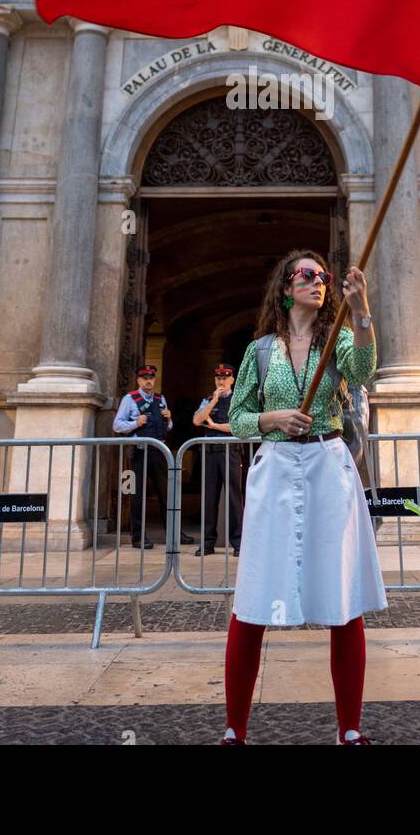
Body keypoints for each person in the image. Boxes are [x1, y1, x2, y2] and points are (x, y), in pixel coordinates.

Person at [220, 248, 386, 746]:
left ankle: (350, 730)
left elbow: (361, 372)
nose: (319, 282)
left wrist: (360, 314)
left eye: (324, 277)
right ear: (286, 286)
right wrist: (274, 419)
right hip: (275, 469)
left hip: (327, 465)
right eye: (308, 275)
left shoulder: (333, 341)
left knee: (342, 595)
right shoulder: (259, 351)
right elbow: (240, 419)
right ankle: (235, 730)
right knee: (253, 596)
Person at [113, 364, 195, 549]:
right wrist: (135, 423)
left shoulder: (160, 399)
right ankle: (138, 537)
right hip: (138, 453)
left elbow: (167, 427)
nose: (148, 380)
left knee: (168, 494)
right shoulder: (129, 399)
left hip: (159, 452)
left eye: (151, 377)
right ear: (138, 380)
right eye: (144, 377)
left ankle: (174, 534)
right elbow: (117, 425)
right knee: (137, 495)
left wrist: (169, 418)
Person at [192, 364, 244, 557]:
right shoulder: (207, 400)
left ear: (232, 379)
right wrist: (213, 401)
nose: (221, 381)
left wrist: (216, 426)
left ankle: (238, 543)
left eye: (225, 377)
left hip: (231, 452)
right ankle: (207, 543)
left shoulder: (238, 400)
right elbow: (197, 420)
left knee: (234, 498)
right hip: (210, 453)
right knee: (209, 498)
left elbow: (239, 426)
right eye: (218, 378)